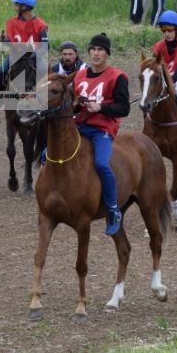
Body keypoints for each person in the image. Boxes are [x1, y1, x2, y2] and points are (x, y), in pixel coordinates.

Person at [72, 33, 130, 236]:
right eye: (93, 49)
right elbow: (72, 108)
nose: (96, 53)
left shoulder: (118, 77)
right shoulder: (79, 75)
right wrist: (74, 106)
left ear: (107, 53)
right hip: (78, 126)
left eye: (101, 50)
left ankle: (113, 210)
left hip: (102, 130)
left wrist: (101, 108)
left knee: (102, 164)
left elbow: (124, 109)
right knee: (48, 153)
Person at [0, 0, 48, 96]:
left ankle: (41, 94)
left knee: (43, 70)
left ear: (24, 7)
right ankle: (2, 93)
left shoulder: (41, 25)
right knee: (1, 71)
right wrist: (3, 40)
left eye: (16, 4)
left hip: (34, 56)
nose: (14, 6)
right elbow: (12, 43)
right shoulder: (11, 22)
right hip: (16, 55)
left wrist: (34, 55)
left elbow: (45, 46)